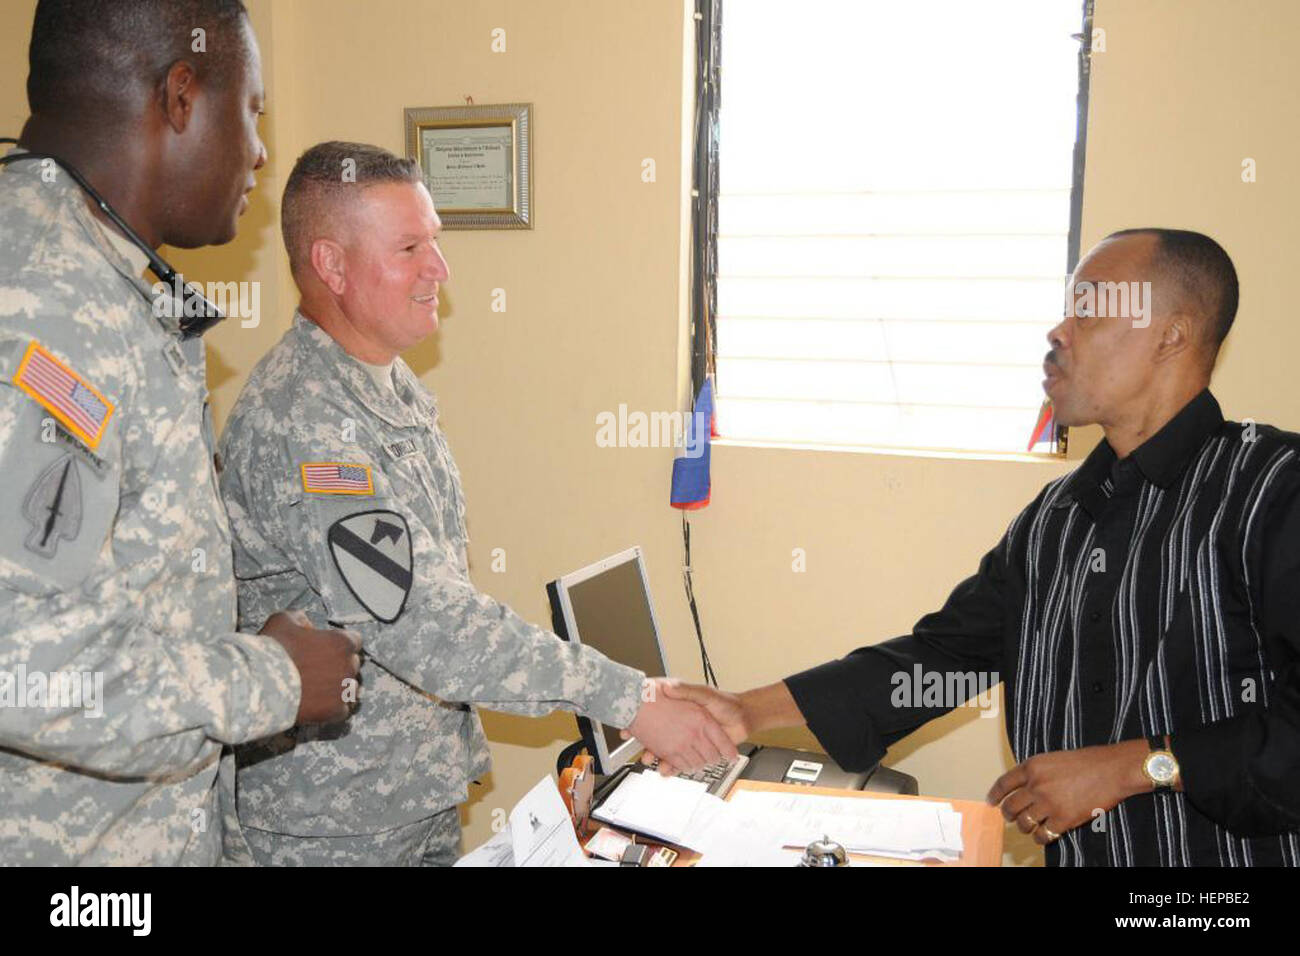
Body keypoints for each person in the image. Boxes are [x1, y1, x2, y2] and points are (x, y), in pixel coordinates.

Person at [659, 229, 1300, 866]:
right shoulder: (1058, 518)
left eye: (1089, 308)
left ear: (1173, 333)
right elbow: (943, 660)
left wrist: (1138, 765)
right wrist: (746, 711)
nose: (1059, 332)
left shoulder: (1272, 490)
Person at [218, 140, 735, 866]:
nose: (440, 269)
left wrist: (634, 694)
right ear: (332, 265)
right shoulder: (305, 422)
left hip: (407, 800)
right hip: (331, 828)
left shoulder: (385, 388)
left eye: (435, 241)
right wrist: (631, 698)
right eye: (409, 248)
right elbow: (431, 625)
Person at [0, 0, 360, 865]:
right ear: (182, 96)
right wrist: (275, 679)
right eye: (254, 113)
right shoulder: (49, 301)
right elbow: (25, 662)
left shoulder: (95, 269)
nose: (262, 152)